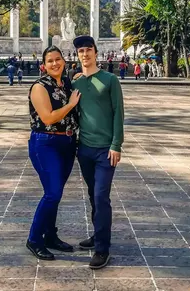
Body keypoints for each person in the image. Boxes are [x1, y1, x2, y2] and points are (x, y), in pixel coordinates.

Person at [72, 35, 124, 270]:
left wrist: (116, 144)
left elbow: (118, 113)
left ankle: (102, 248)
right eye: (81, 51)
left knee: (102, 196)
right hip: (85, 149)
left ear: (96, 52)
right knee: (93, 195)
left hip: (105, 150)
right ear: (77, 55)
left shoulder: (110, 80)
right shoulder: (76, 83)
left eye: (88, 50)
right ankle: (97, 234)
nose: (85, 54)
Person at [26, 46, 80, 261]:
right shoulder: (40, 87)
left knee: (55, 192)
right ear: (44, 65)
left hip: (67, 142)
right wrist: (71, 104)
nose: (55, 63)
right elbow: (48, 118)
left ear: (64, 61)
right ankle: (34, 239)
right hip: (45, 143)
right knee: (53, 193)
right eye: (50, 61)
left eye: (58, 59)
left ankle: (50, 235)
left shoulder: (67, 84)